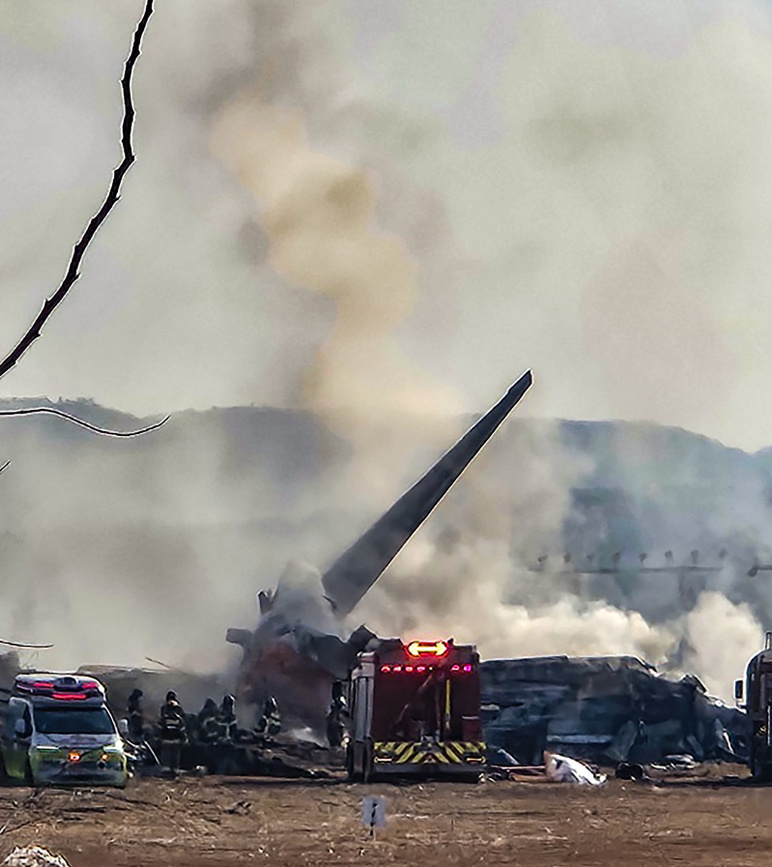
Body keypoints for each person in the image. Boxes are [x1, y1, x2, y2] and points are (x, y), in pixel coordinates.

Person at [157, 690, 187, 773]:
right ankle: (173, 770)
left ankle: (168, 770)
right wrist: (184, 737)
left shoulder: (165, 709)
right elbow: (183, 724)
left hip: (167, 738)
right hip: (174, 738)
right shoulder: (178, 709)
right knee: (174, 756)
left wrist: (159, 737)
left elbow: (161, 724)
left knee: (168, 755)